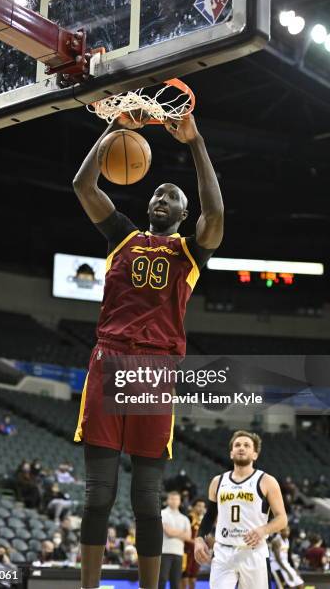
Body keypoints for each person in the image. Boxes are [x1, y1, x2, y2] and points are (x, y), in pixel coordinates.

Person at [72, 111, 224, 589]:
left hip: (156, 369)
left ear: (182, 215)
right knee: (100, 492)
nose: (161, 198)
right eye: (157, 193)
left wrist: (196, 142)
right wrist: (114, 130)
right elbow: (82, 184)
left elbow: (216, 214)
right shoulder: (122, 237)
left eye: (172, 197)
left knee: (147, 494)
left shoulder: (190, 253)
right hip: (110, 359)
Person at [194, 430, 288, 589]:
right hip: (223, 551)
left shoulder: (267, 481)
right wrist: (199, 538)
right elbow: (210, 516)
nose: (241, 448)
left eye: (247, 445)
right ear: (231, 453)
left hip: (253, 551)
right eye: (237, 445)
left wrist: (263, 530)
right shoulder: (218, 481)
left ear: (255, 455)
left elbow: (282, 519)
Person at [159, 492, 191, 589]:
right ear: (167, 500)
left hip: (179, 553)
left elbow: (188, 537)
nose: (174, 501)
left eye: (176, 499)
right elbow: (169, 532)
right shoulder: (161, 514)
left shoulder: (185, 518)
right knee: (162, 580)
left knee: (176, 582)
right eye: (172, 499)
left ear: (180, 501)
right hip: (165, 551)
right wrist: (182, 533)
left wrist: (173, 531)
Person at [181, 499, 206, 589]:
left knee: (194, 576)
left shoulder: (203, 521)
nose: (201, 508)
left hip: (197, 552)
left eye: (203, 507)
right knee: (184, 575)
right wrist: (196, 542)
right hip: (187, 551)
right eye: (199, 506)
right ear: (193, 507)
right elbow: (183, 535)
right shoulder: (188, 518)